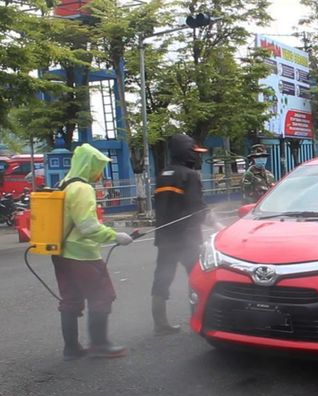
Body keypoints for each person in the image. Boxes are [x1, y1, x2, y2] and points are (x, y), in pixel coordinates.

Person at [52, 144, 132, 360]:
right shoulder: (83, 189)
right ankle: (100, 345)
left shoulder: (64, 184)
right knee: (102, 295)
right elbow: (88, 227)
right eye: (98, 168)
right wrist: (116, 236)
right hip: (82, 254)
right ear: (89, 166)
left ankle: (71, 349)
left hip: (61, 252)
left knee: (70, 299)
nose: (99, 173)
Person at [151, 133, 221, 334]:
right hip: (186, 239)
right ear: (186, 153)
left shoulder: (163, 174)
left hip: (164, 238)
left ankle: (160, 324)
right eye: (194, 153)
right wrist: (217, 225)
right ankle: (198, 318)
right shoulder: (189, 176)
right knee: (197, 277)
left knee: (162, 277)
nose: (197, 157)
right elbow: (197, 208)